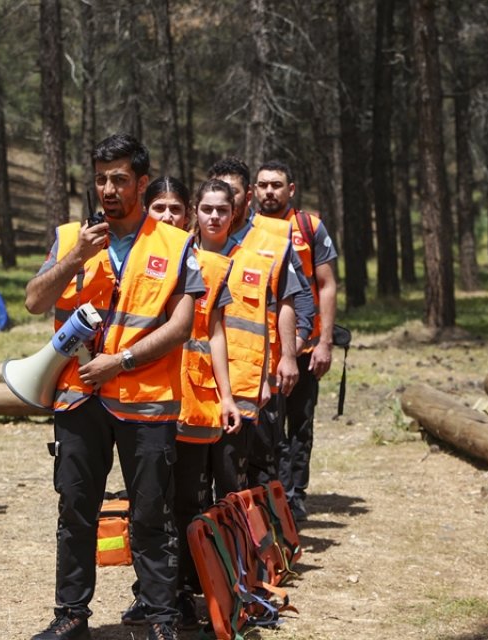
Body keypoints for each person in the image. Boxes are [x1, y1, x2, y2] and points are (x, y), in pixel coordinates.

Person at [24, 133, 204, 640]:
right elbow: (35, 302)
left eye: (119, 179)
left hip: (146, 403)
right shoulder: (69, 238)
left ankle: (161, 618)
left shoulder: (175, 242)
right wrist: (75, 257)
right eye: (101, 178)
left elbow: (181, 325)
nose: (108, 188)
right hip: (78, 398)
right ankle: (71, 616)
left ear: (142, 183)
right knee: (75, 511)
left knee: (151, 515)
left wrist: (119, 361)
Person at [131, 178, 239, 629]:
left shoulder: (211, 266)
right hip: (142, 397)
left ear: (189, 213)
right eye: (159, 207)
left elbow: (214, 332)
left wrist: (227, 395)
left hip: (194, 401)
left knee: (189, 501)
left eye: (176, 208)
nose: (169, 216)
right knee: (148, 502)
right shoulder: (134, 260)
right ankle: (150, 594)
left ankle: (187, 595)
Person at [208, 159, 310, 498]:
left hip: (258, 376)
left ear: (247, 195)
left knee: (260, 466)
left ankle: (263, 544)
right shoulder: (198, 236)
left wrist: (290, 356)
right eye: (218, 192)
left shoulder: (274, 239)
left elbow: (294, 300)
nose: (225, 202)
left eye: (232, 193)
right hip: (206, 374)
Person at [253, 161, 337, 521]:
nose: (269, 191)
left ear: (291, 189)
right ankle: (272, 492)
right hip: (263, 348)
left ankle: (296, 495)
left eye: (276, 185)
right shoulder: (247, 228)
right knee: (268, 426)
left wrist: (325, 343)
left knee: (300, 423)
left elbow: (327, 284)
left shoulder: (309, 227)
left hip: (305, 347)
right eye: (262, 185)